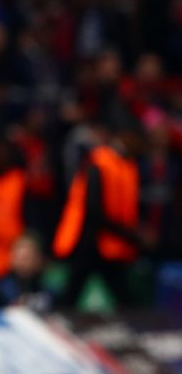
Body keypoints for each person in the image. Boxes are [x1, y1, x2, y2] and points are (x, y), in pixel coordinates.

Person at [52, 123, 142, 308]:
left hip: (108, 243)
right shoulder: (98, 163)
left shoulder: (127, 164)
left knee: (122, 295)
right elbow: (93, 211)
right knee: (72, 294)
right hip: (88, 240)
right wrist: (129, 234)